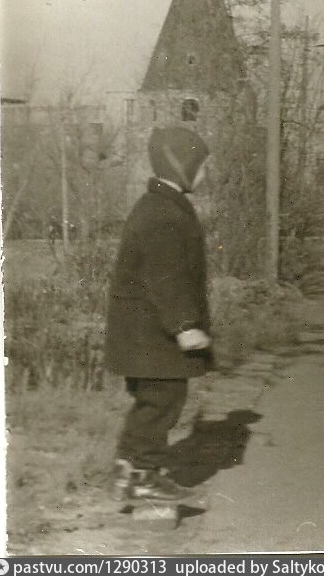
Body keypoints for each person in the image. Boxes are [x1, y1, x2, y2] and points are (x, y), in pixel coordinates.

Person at [106, 126, 213, 502]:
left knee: (154, 402)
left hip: (145, 335)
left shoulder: (162, 207)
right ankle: (143, 476)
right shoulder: (163, 214)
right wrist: (184, 326)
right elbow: (166, 277)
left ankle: (129, 470)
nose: (204, 174)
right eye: (198, 166)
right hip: (152, 335)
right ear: (179, 165)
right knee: (162, 401)